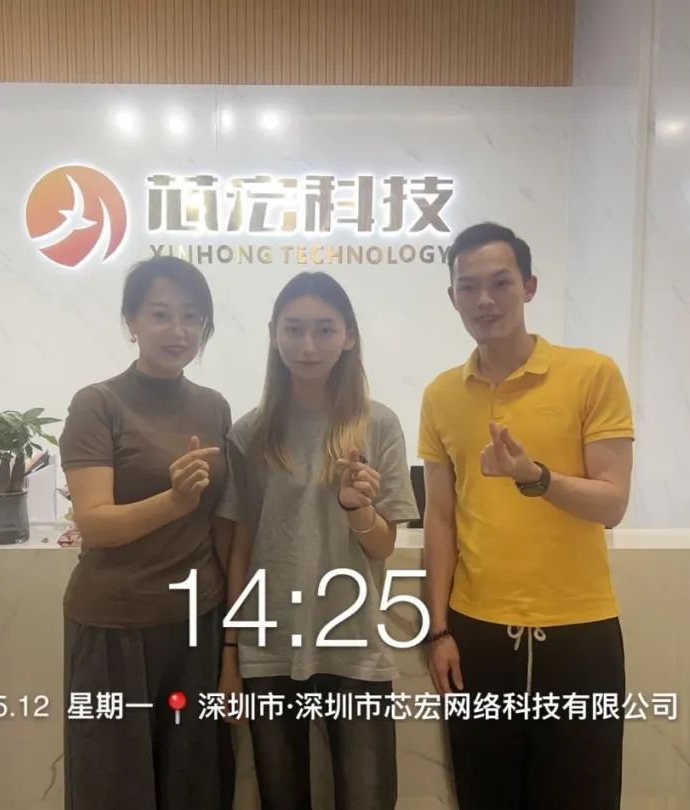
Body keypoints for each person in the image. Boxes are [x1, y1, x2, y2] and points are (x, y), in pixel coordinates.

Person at [419, 222, 635, 809]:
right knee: (483, 795)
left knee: (583, 797)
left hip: (579, 632)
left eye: (501, 283)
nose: (484, 300)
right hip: (476, 632)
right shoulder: (441, 394)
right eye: (468, 287)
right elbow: (440, 519)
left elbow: (613, 503)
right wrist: (439, 630)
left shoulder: (591, 374)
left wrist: (535, 478)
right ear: (453, 297)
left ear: (529, 287)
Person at [216, 271, 418, 810]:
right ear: (273, 334)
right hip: (268, 648)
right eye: (294, 329)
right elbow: (239, 550)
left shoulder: (378, 424)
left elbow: (383, 546)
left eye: (325, 329)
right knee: (280, 798)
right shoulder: (250, 433)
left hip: (355, 645)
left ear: (349, 337)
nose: (308, 345)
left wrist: (358, 509)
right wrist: (231, 654)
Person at [58, 256, 234, 810]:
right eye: (160, 314)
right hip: (115, 626)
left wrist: (232, 630)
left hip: (195, 622)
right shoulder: (98, 404)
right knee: (114, 787)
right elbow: (94, 522)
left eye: (192, 316)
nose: (178, 330)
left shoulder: (214, 407)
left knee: (195, 785)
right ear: (131, 321)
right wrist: (173, 501)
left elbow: (222, 523)